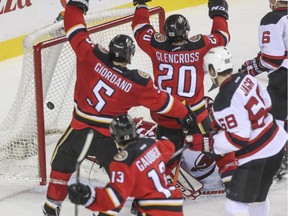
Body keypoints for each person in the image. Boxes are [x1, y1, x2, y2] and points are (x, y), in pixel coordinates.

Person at [42, 1, 196, 215]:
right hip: (109, 138)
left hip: (79, 130)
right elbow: (164, 102)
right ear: (130, 56)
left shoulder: (89, 55)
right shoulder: (138, 84)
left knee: (61, 165)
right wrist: (185, 113)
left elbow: (75, 28)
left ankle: (51, 206)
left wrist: (77, 5)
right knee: (119, 182)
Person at [131, 0, 237, 188]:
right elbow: (222, 36)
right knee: (217, 143)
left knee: (165, 154)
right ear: (187, 32)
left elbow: (140, 29)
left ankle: (152, 190)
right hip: (195, 113)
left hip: (166, 114)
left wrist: (141, 5)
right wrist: (218, 11)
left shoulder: (156, 44)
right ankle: (232, 179)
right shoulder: (199, 45)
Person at [190, 46, 287, 216]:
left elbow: (239, 138)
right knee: (258, 199)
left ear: (213, 69)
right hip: (277, 145)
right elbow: (268, 104)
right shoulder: (247, 79)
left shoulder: (222, 100)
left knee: (235, 206)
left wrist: (207, 143)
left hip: (257, 155)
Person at [68, 114, 184, 216]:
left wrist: (89, 196)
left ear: (114, 137)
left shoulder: (122, 162)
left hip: (152, 208)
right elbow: (169, 147)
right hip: (174, 202)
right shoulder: (151, 143)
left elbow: (115, 197)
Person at [238, 0, 287, 181]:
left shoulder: (272, 18)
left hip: (284, 77)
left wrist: (251, 68)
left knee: (273, 119)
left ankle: (274, 162)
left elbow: (272, 58)